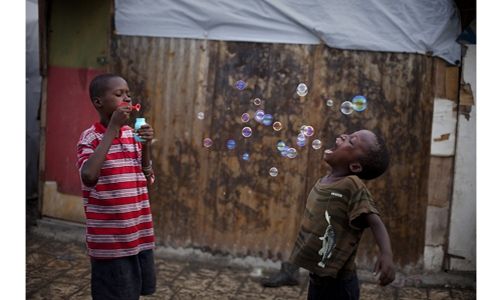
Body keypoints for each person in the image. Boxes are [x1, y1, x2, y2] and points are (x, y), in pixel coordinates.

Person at [287, 129, 395, 299]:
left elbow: (375, 221)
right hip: (317, 275)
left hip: (339, 284)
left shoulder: (352, 185)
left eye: (352, 141)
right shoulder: (323, 182)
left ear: (355, 166)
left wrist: (386, 254)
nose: (344, 136)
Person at [76, 74, 157, 300]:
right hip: (111, 240)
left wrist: (147, 145)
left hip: (137, 234)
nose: (127, 99)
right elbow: (89, 176)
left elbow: (146, 180)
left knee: (131, 293)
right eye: (119, 94)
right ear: (98, 102)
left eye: (129, 94)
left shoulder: (132, 136)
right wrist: (112, 129)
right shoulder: (90, 138)